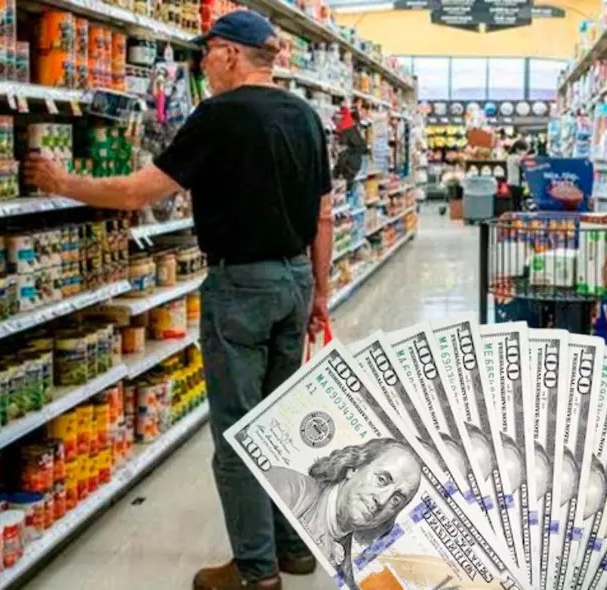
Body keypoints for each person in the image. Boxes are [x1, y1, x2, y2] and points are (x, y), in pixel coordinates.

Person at [23, 10, 332, 590]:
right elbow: (322, 214)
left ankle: (255, 570)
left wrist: (64, 183)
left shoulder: (219, 115)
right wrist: (320, 290)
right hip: (295, 282)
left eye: (206, 53)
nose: (201, 65)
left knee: (239, 431)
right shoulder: (306, 115)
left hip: (242, 286)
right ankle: (293, 550)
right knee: (279, 424)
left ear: (233, 55)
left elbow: (141, 191)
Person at [263, 439, 421, 587]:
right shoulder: (286, 487)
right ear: (354, 468)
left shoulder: (344, 578)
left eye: (396, 500)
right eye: (382, 480)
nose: (382, 500)